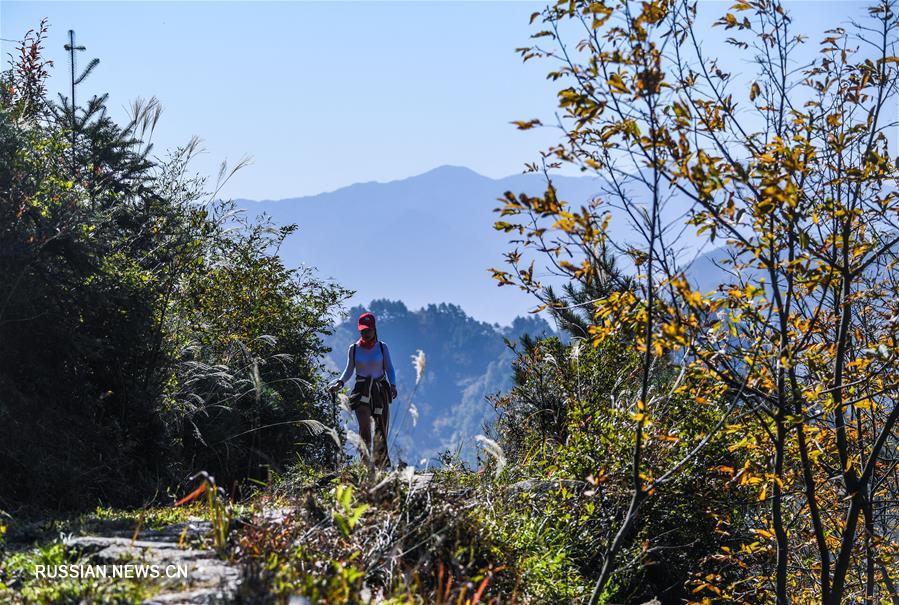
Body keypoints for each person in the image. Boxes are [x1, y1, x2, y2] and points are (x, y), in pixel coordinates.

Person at [329, 312, 397, 468]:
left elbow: (389, 368)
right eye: (362, 330)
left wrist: (392, 385)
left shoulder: (382, 347)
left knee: (380, 428)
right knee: (364, 427)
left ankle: (379, 465)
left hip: (379, 390)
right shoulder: (353, 349)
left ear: (374, 329)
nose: (365, 333)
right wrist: (339, 383)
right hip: (361, 391)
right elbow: (349, 370)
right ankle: (365, 463)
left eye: (368, 330)